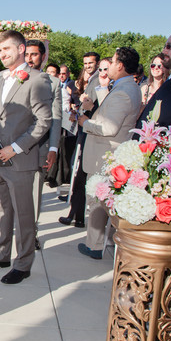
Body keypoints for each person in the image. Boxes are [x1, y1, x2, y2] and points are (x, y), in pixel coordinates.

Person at [0, 29, 52, 284]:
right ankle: (1, 254)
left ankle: (23, 263)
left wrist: (16, 148)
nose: (2, 54)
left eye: (6, 49)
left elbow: (44, 121)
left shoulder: (38, 79)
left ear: (21, 49)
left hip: (21, 159)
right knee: (1, 210)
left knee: (23, 214)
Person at [77, 47, 142, 260]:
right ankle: (104, 243)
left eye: (112, 62)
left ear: (120, 65)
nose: (110, 66)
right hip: (107, 153)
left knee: (99, 200)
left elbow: (109, 128)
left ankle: (95, 246)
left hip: (105, 155)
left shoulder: (124, 91)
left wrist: (86, 123)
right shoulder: (125, 87)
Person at [59, 57, 111, 228]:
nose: (89, 66)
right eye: (85, 63)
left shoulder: (104, 83)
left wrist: (87, 111)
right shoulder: (88, 80)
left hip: (93, 134)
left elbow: (100, 110)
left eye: (92, 63)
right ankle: (75, 213)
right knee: (77, 175)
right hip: (82, 131)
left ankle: (80, 216)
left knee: (82, 176)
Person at [25, 40, 62, 245]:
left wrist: (54, 147)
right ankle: (3, 227)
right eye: (27, 54)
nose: (30, 59)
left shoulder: (53, 83)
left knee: (34, 193)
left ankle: (32, 233)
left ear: (43, 56)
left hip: (40, 145)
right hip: (12, 146)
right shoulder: (13, 78)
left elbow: (56, 117)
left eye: (35, 55)